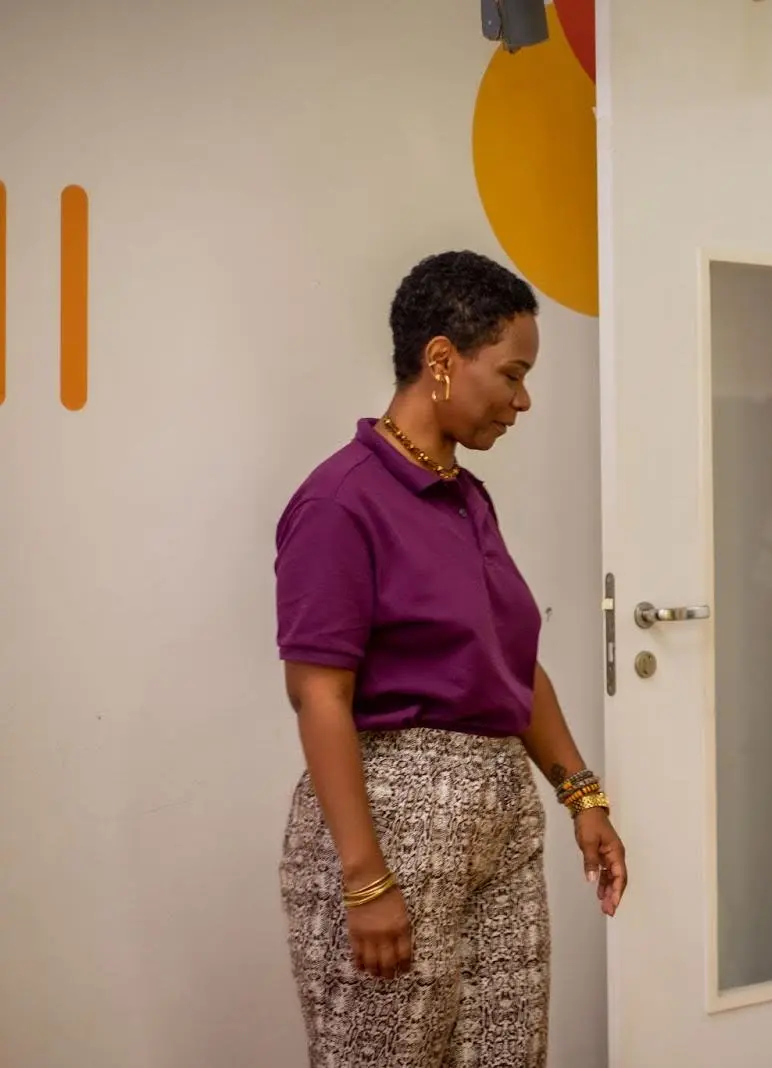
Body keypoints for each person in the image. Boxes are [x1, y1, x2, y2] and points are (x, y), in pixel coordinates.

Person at [274, 250, 627, 1068]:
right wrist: (365, 880)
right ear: (441, 360)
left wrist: (582, 795)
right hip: (395, 817)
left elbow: (512, 662)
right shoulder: (341, 501)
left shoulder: (467, 497)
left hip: (501, 818)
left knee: (508, 1055)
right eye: (511, 373)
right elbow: (319, 699)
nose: (523, 398)